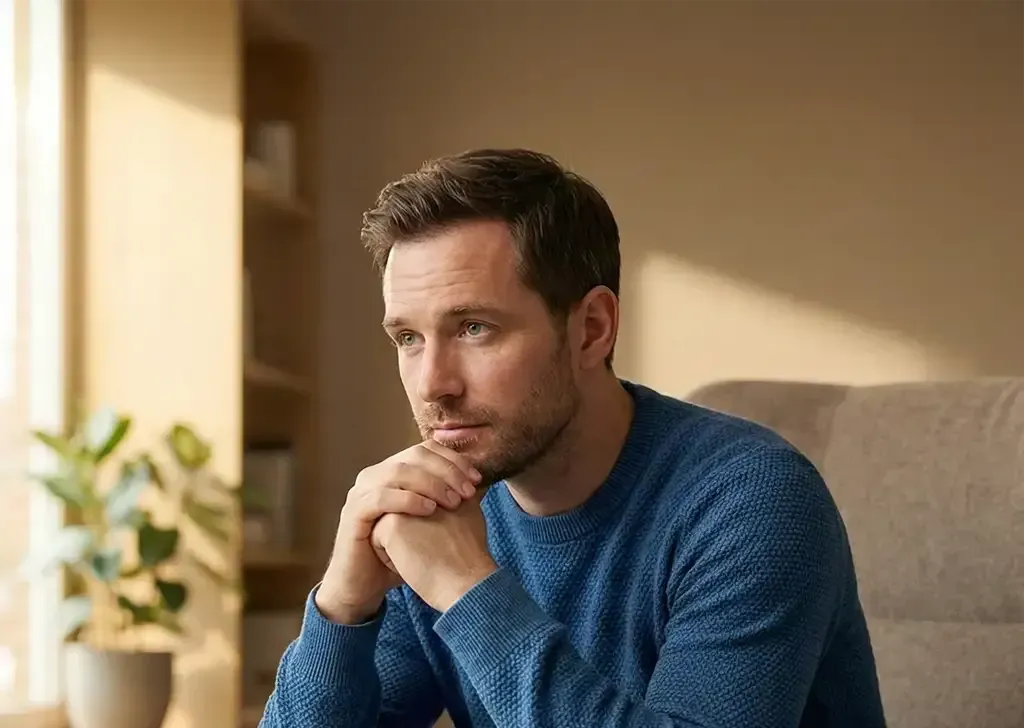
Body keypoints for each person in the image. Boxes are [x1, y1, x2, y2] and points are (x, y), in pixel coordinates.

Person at [259, 148, 887, 727]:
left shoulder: (755, 502)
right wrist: (342, 607)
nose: (433, 384)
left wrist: (466, 591)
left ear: (591, 329)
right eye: (408, 338)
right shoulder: (436, 511)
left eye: (475, 327)